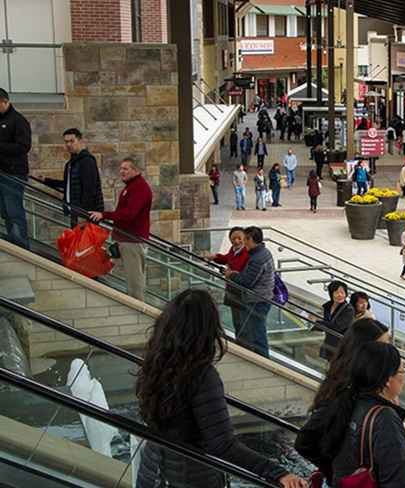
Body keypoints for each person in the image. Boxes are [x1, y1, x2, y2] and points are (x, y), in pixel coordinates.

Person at [134, 289, 306, 488]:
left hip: (155, 469)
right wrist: (277, 472)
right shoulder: (202, 376)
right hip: (193, 477)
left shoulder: (156, 363)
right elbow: (222, 445)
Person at [296, 319, 390, 484]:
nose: (389, 352)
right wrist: (335, 470)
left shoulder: (353, 383)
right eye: (382, 346)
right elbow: (305, 441)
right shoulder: (346, 389)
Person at [326, 342, 405, 487]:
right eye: (402, 371)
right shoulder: (384, 418)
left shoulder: (348, 402)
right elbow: (399, 480)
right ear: (388, 379)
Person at [89, 158, 152, 301]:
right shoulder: (131, 187)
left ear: (136, 170)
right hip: (125, 239)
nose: (121, 171)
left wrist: (104, 215)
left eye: (126, 169)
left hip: (132, 241)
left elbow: (129, 213)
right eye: (121, 168)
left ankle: (138, 311)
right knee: (128, 277)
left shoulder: (139, 188)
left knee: (135, 281)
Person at [225, 226, 274, 357]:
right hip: (261, 298)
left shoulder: (257, 258)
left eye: (245, 239)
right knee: (254, 332)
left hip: (257, 300)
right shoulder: (262, 252)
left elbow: (247, 282)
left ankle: (263, 360)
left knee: (257, 334)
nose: (243, 242)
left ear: (251, 239)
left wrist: (231, 275)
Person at [42, 128, 104, 227]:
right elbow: (68, 184)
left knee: (86, 241)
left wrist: (83, 214)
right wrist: (46, 180)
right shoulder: (70, 164)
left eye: (72, 141)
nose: (69, 144)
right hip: (75, 211)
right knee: (77, 241)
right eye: (66, 142)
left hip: (85, 213)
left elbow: (90, 189)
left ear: (80, 141)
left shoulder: (87, 161)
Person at [0, 88, 32, 250]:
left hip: (13, 174)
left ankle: (21, 245)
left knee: (14, 211)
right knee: (5, 211)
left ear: (5, 102)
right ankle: (13, 242)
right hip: (2, 173)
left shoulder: (18, 120)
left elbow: (24, 146)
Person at [213, 227, 249, 338]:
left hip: (241, 291)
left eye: (239, 238)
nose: (236, 241)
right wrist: (215, 257)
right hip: (232, 289)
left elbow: (238, 268)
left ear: (245, 239)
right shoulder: (233, 250)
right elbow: (228, 258)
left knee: (242, 320)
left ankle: (245, 345)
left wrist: (229, 272)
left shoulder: (246, 252)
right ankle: (240, 341)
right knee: (237, 321)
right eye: (233, 238)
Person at [318, 280, 355, 361]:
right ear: (331, 294)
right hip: (329, 342)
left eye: (342, 292)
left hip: (342, 345)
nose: (340, 295)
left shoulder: (349, 309)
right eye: (336, 292)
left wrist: (318, 323)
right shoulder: (327, 306)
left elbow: (338, 327)